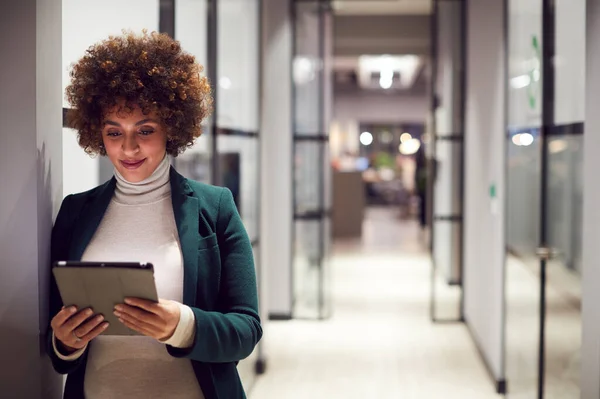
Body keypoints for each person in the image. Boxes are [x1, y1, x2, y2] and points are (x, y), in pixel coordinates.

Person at [47, 31, 262, 399]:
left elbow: (246, 331)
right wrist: (65, 342)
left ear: (172, 127)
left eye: (144, 130)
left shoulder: (216, 207)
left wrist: (184, 326)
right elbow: (58, 344)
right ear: (98, 133)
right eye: (114, 132)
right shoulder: (74, 211)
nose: (128, 147)